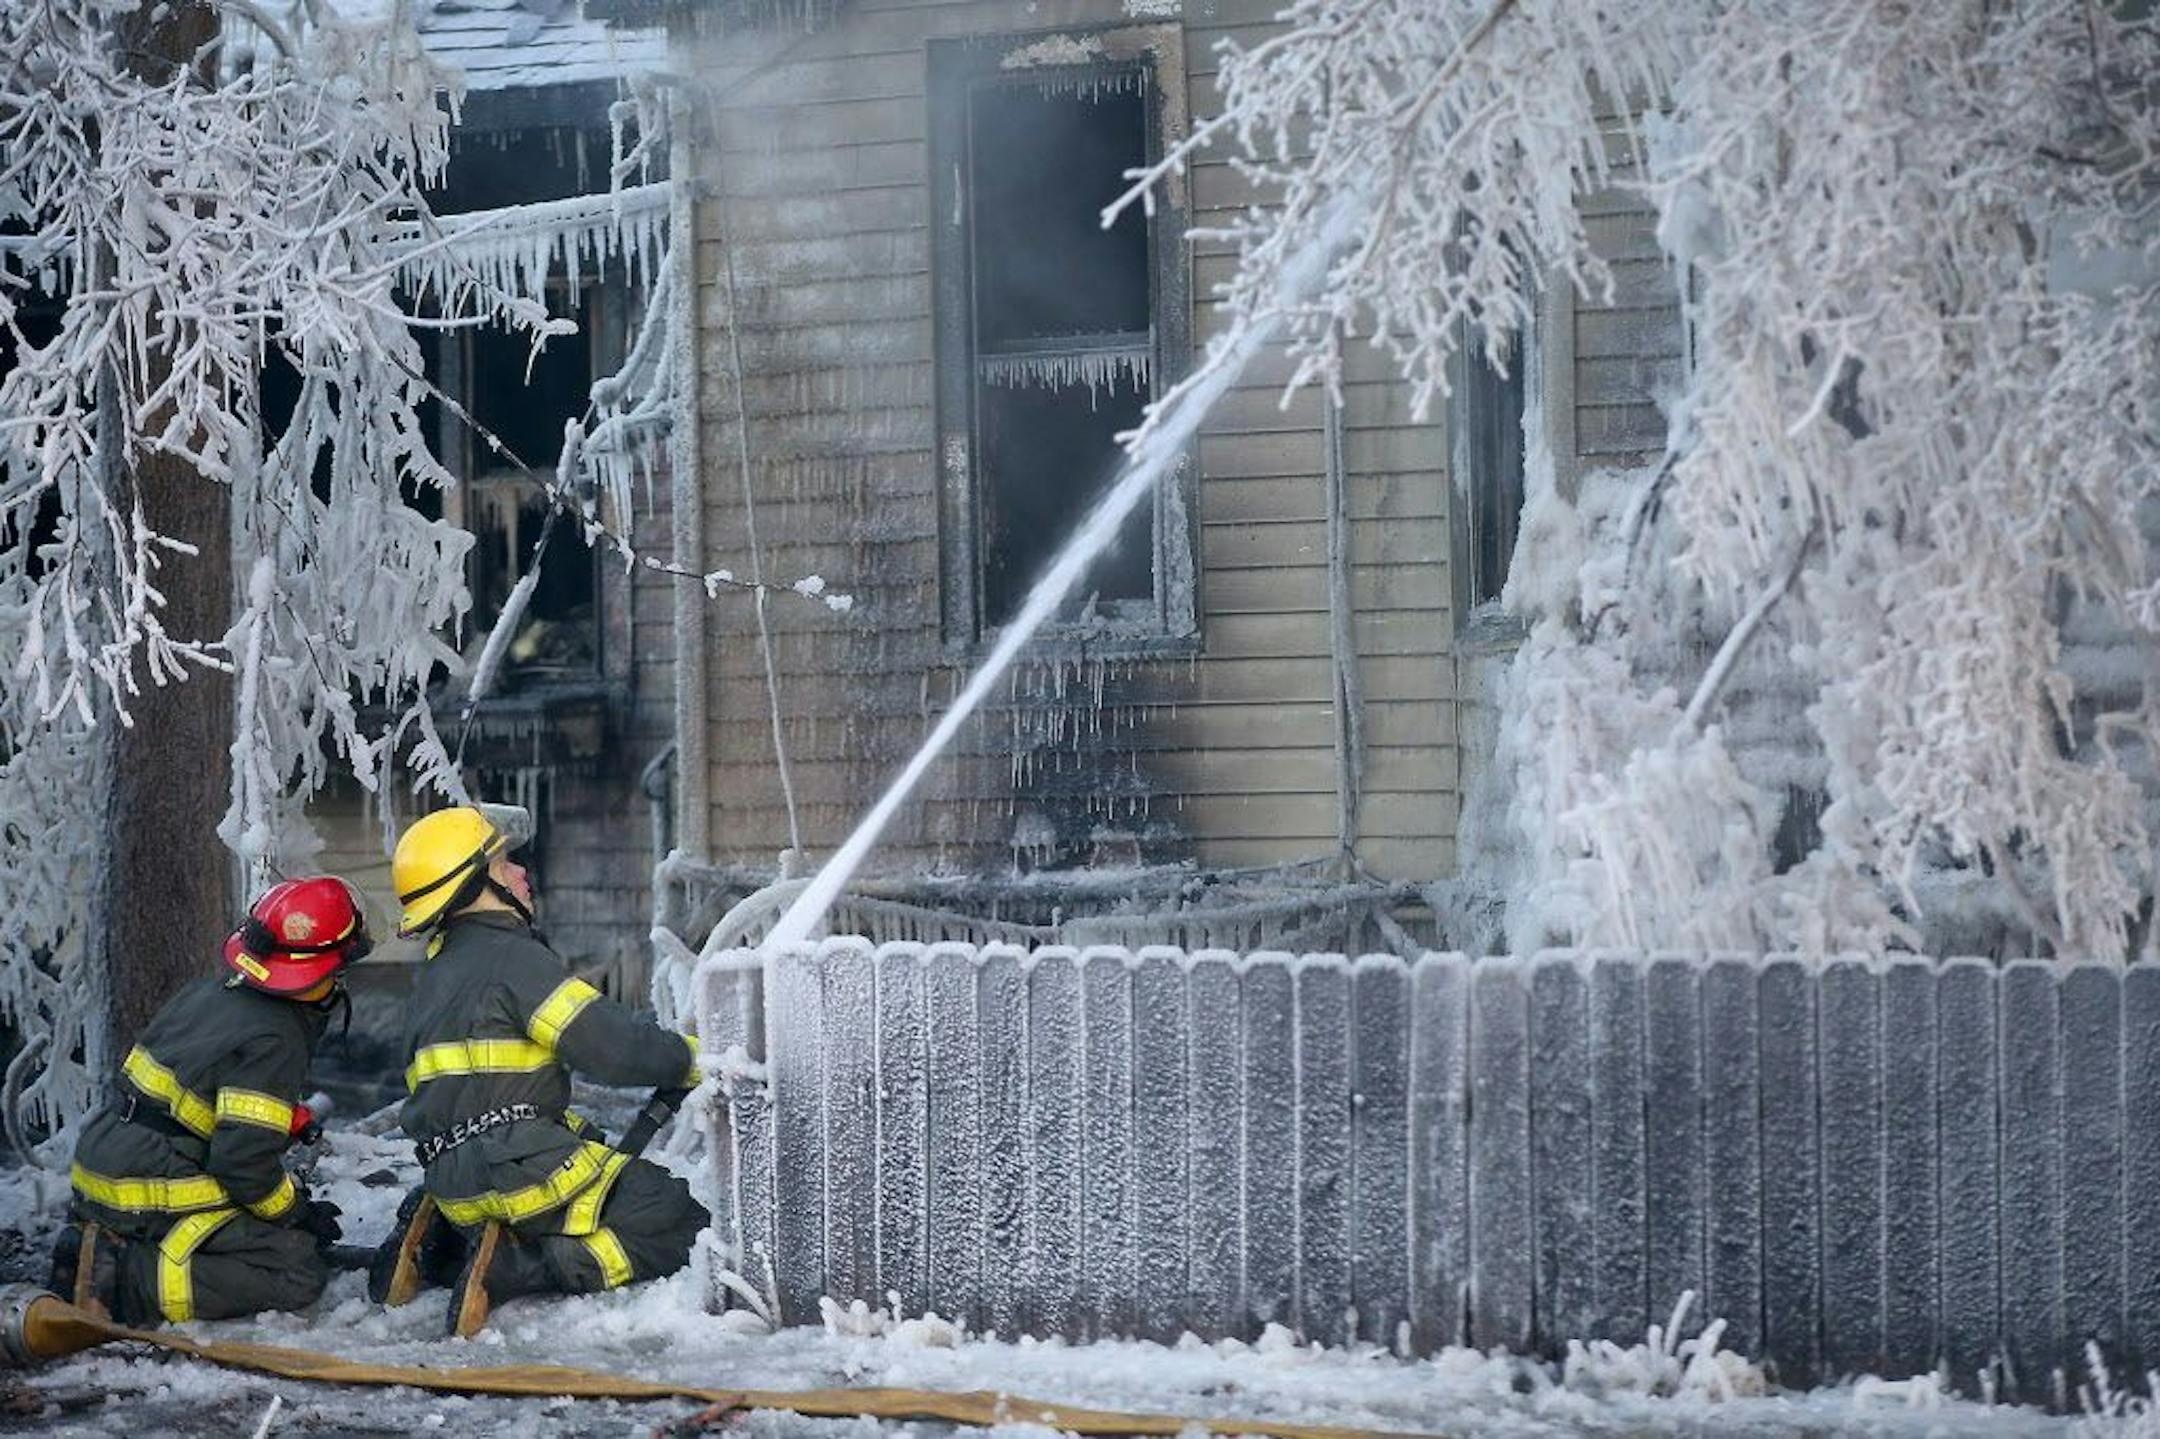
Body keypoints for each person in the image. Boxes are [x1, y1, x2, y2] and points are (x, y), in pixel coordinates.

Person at [370, 805, 705, 1336]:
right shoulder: (512, 958)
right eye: (505, 866)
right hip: (517, 1171)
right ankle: (517, 1270)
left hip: (453, 1177)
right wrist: (689, 1056)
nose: (523, 874)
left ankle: (444, 1250)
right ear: (474, 885)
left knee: (592, 1147)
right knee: (675, 1219)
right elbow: (610, 1048)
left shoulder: (436, 976)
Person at [49, 877, 365, 1325]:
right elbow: (243, 1166)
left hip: (101, 1165)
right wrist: (294, 1210)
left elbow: (191, 1095)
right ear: (324, 969)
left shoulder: (212, 993)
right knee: (295, 1267)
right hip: (149, 1181)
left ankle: (98, 1242)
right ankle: (127, 1279)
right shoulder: (276, 1035)